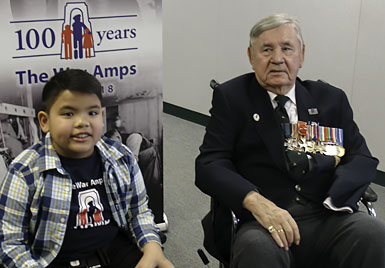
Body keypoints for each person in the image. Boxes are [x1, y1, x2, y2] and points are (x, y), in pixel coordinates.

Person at [195, 13, 385, 268]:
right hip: (263, 220)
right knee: (257, 250)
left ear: (301, 55)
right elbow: (209, 164)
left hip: (328, 213)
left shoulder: (330, 100)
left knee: (373, 234)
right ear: (251, 57)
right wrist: (254, 201)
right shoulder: (232, 98)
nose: (277, 59)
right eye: (266, 49)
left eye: (287, 48)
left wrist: (337, 198)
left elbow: (361, 157)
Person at [0, 69, 174, 268]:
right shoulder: (24, 171)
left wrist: (152, 249)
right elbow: (10, 243)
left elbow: (138, 211)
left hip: (113, 250)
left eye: (92, 113)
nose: (82, 122)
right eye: (68, 113)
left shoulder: (120, 156)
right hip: (55, 259)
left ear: (101, 116)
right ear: (45, 121)